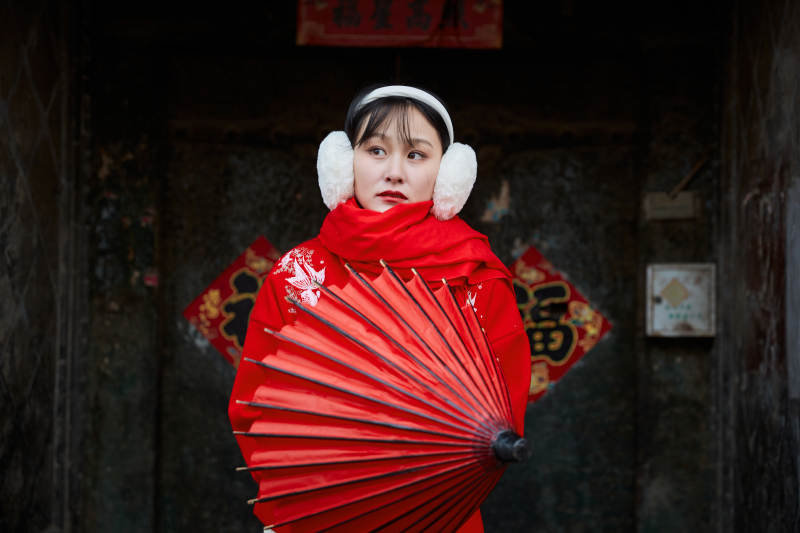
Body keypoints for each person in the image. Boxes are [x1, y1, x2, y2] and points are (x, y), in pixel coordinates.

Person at [229, 84, 532, 532]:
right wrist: (318, 481)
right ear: (344, 163)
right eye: (375, 150)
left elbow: (500, 416)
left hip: (435, 515)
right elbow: (255, 405)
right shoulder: (298, 272)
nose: (393, 172)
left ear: (448, 173)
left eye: (415, 155)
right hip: (315, 511)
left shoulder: (477, 280)